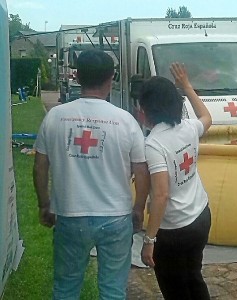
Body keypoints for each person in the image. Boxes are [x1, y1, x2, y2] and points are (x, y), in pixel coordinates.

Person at [33, 49, 150, 300]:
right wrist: (139, 208)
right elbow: (141, 170)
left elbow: (40, 165)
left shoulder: (55, 116)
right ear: (112, 78)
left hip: (70, 214)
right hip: (116, 217)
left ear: (76, 76)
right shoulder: (126, 121)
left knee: (65, 288)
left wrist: (45, 204)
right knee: (113, 290)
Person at [139, 62, 212, 300]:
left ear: (146, 110)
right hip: (201, 216)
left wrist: (149, 239)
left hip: (174, 231)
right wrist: (187, 86)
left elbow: (161, 195)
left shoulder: (154, 144)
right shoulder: (188, 128)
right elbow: (207, 117)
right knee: (193, 276)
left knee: (175, 290)